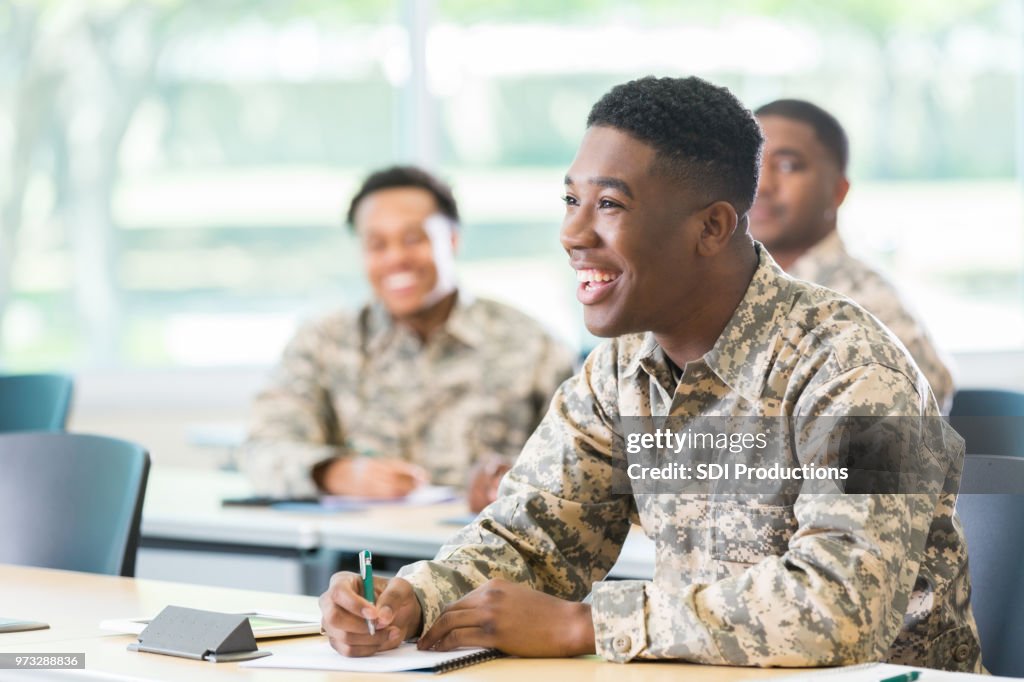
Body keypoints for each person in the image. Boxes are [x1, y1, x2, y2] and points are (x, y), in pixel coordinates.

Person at [319, 77, 981, 672]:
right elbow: (537, 531)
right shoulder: (619, 367)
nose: (573, 232)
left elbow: (840, 609)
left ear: (713, 227)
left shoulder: (856, 367)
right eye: (570, 199)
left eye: (608, 204)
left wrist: (586, 624)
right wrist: (415, 598)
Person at [239, 166, 574, 512]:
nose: (396, 258)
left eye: (414, 239)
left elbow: (583, 469)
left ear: (453, 240)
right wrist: (334, 473)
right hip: (361, 556)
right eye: (377, 244)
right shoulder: (323, 342)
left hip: (494, 553)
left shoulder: (534, 346)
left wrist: (515, 485)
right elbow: (261, 448)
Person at [750, 99, 955, 413]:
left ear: (838, 192)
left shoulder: (871, 306)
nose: (761, 185)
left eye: (788, 165)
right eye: (751, 164)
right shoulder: (729, 288)